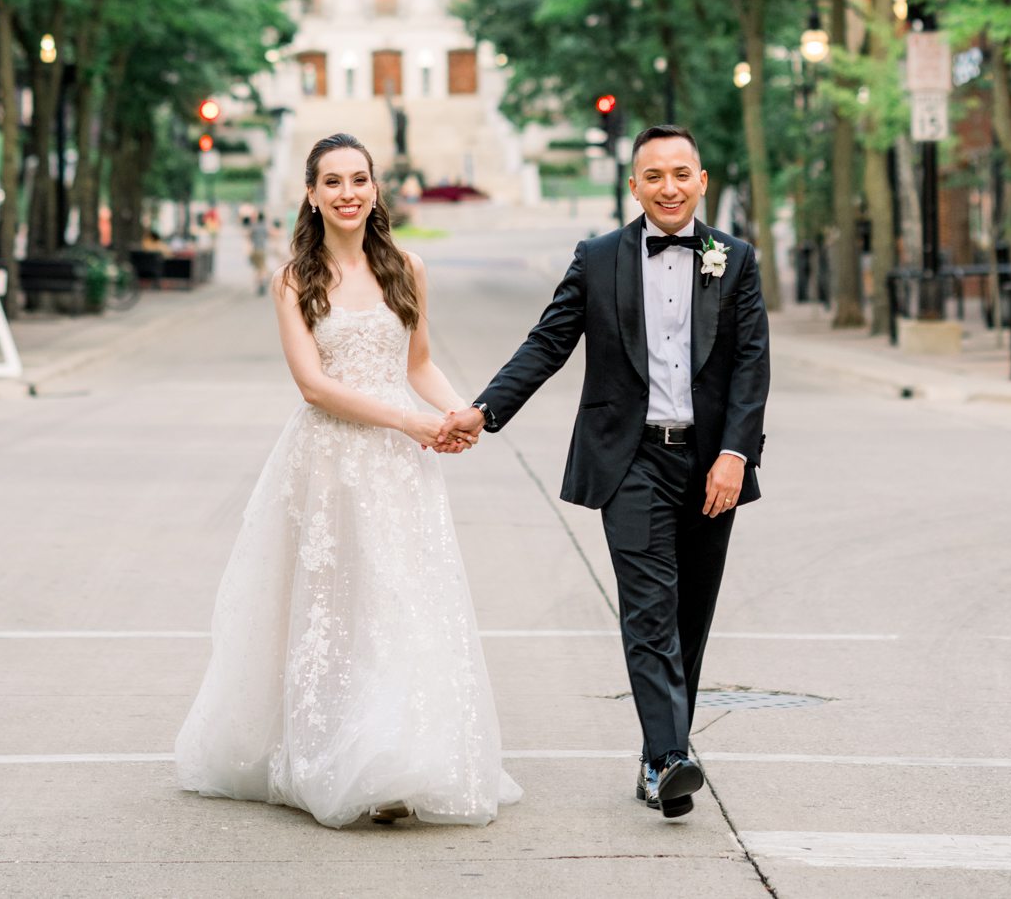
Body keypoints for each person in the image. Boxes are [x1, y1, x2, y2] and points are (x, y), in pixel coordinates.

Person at [175, 132, 518, 829]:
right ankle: (331, 751)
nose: (348, 193)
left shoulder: (408, 268)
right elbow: (313, 386)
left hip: (399, 465)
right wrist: (409, 421)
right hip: (329, 463)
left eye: (359, 179)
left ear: (375, 188)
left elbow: (419, 361)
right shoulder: (294, 280)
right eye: (332, 181)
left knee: (400, 604)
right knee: (333, 613)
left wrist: (458, 411)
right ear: (311, 193)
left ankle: (397, 760)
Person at [441, 124, 770, 822]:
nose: (669, 187)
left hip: (713, 463)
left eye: (682, 174)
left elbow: (751, 365)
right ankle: (673, 755)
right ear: (634, 186)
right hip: (631, 460)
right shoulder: (597, 260)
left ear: (701, 181)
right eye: (654, 176)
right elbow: (548, 342)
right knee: (649, 613)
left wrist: (735, 455)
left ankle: (657, 758)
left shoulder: (734, 260)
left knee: (689, 619)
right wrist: (484, 410)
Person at [247, 208, 270, 296]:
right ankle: (262, 283)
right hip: (262, 250)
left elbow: (248, 236)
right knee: (263, 268)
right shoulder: (264, 226)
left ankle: (257, 286)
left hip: (254, 249)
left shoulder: (253, 226)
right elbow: (269, 235)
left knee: (256, 269)